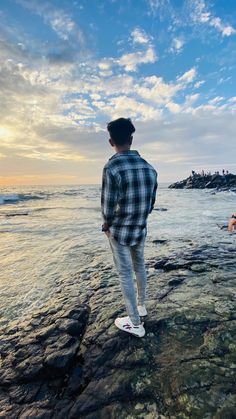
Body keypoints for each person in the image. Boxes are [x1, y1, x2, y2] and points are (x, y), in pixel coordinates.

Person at [101, 118, 158, 338]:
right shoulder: (149, 168)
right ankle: (141, 305)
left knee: (125, 273)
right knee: (140, 266)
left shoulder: (112, 166)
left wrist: (106, 226)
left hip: (120, 231)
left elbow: (107, 205)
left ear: (111, 141)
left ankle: (134, 322)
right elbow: (151, 204)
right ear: (131, 139)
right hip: (140, 228)